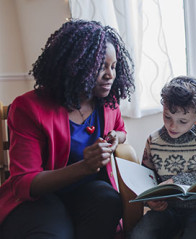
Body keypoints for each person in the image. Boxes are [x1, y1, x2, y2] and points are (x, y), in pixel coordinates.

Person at [0, 19, 134, 239]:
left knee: (108, 202)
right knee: (55, 233)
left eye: (114, 66)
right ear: (76, 65)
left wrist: (116, 137)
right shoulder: (29, 108)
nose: (110, 75)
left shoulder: (108, 103)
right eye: (102, 67)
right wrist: (84, 166)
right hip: (41, 197)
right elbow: (24, 183)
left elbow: (121, 130)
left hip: (86, 193)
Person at [130, 76, 196, 239]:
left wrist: (179, 180)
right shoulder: (153, 140)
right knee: (140, 234)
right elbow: (147, 178)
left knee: (193, 234)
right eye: (167, 117)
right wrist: (150, 201)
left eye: (182, 121)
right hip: (167, 208)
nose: (172, 126)